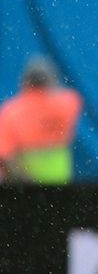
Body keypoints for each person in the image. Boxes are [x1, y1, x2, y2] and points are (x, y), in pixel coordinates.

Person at [0, 56, 83, 184]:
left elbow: (6, 155)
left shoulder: (10, 112)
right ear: (51, 80)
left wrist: (28, 182)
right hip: (59, 184)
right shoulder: (67, 104)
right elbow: (71, 98)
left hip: (23, 187)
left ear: (24, 81)